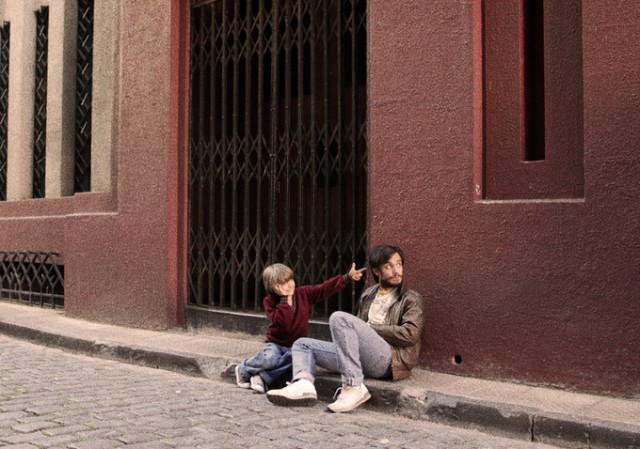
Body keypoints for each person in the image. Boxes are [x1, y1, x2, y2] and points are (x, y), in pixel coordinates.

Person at [266, 244, 424, 413]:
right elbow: (357, 332)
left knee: (338, 318)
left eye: (399, 264)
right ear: (376, 271)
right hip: (362, 358)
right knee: (302, 344)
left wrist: (372, 328)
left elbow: (411, 334)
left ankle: (354, 386)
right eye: (389, 266)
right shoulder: (369, 294)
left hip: (390, 360)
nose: (396, 271)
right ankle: (303, 385)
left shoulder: (411, 298)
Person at [235, 262, 366, 393]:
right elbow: (282, 322)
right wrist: (284, 299)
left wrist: (346, 277)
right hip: (276, 344)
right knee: (270, 358)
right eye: (283, 284)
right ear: (274, 287)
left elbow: (323, 289)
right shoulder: (269, 301)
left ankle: (262, 377)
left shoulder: (303, 293)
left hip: (296, 346)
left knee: (296, 360)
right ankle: (243, 368)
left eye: (290, 280)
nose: (289, 285)